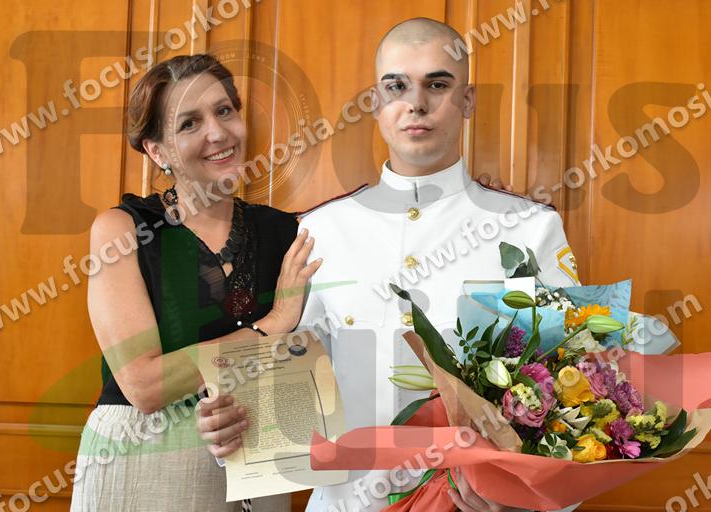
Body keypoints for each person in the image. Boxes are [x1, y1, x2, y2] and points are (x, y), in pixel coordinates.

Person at [198, 18, 581, 512]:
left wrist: (519, 505)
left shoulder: (530, 229)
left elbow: (576, 395)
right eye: (396, 86)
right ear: (376, 102)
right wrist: (234, 428)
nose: (416, 103)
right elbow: (288, 406)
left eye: (437, 85)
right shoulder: (319, 231)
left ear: (467, 101)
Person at [70, 54, 320, 512]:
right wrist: (271, 325)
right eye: (189, 123)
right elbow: (144, 386)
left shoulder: (288, 231)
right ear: (157, 151)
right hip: (143, 460)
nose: (218, 132)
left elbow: (308, 365)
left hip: (258, 458)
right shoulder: (123, 231)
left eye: (224, 111)